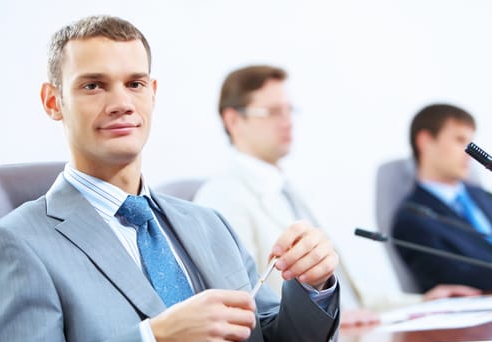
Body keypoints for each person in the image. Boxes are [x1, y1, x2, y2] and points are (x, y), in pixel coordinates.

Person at [0, 16, 341, 342]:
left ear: (153, 93)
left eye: (135, 83)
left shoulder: (209, 224)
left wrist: (313, 287)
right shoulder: (13, 244)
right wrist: (153, 341)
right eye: (93, 85)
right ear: (53, 101)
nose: (121, 103)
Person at [193, 65, 481, 327]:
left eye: (289, 110)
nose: (287, 122)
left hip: (351, 330)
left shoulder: (292, 191)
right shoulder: (222, 198)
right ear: (233, 120)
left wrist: (422, 301)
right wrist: (324, 317)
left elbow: (351, 293)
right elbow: (241, 305)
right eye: (272, 112)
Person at [392, 103, 492, 292]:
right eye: (460, 140)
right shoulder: (412, 220)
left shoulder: (484, 197)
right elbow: (458, 276)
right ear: (425, 141)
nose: (469, 153)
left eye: (472, 141)